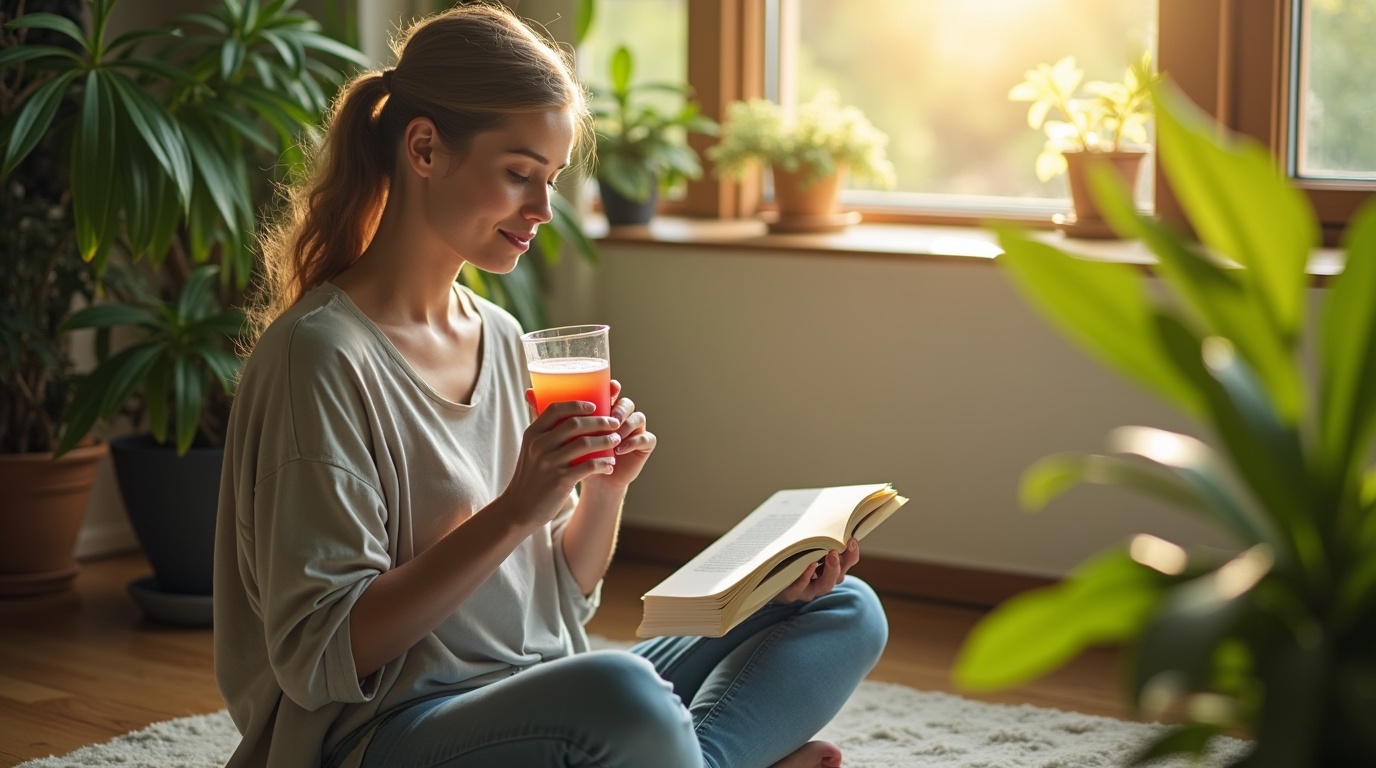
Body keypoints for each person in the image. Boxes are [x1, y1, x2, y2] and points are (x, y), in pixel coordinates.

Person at [213, 4, 888, 767]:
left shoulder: (501, 339)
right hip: (384, 735)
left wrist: (604, 491)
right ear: (425, 148)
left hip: (540, 690)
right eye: (518, 175)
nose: (541, 211)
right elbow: (323, 654)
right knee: (621, 697)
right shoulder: (321, 358)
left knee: (839, 607)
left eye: (552, 180)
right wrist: (512, 512)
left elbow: (556, 603)